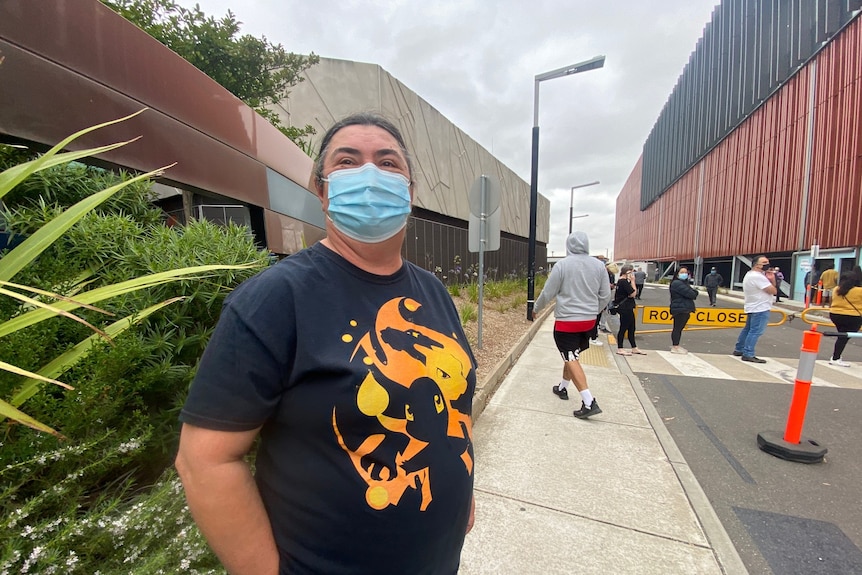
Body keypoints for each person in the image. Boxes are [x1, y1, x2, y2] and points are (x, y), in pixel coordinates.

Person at [175, 113, 477, 575]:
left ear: (411, 193)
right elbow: (205, 460)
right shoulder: (275, 299)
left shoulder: (432, 291)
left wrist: (464, 496)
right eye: (348, 161)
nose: (371, 175)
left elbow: (457, 402)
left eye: (389, 163)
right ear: (321, 190)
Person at [533, 231, 611, 419]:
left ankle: (588, 401)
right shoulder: (599, 266)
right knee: (572, 356)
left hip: (567, 321)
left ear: (569, 246)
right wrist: (594, 310)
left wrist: (536, 308)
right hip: (589, 321)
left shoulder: (562, 266)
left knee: (570, 357)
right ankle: (563, 387)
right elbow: (605, 295)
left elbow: (548, 292)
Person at [732, 255, 777, 363]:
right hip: (760, 307)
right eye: (764, 262)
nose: (767, 264)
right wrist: (772, 279)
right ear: (757, 265)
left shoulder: (750, 275)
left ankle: (739, 349)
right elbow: (773, 290)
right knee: (755, 331)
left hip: (753, 306)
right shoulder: (758, 277)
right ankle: (748, 353)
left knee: (748, 329)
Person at [827, 272, 862, 366]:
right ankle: (835, 358)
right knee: (844, 337)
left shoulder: (836, 289)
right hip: (852, 316)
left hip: (835, 315)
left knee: (842, 335)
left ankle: (836, 356)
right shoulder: (859, 290)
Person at [613, 265, 646, 356]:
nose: (632, 274)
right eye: (631, 272)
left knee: (631, 328)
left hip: (627, 307)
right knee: (624, 328)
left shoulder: (621, 281)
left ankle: (634, 347)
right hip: (625, 308)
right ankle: (620, 348)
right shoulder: (623, 282)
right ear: (627, 272)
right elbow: (633, 294)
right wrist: (633, 281)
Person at [669, 267, 699, 354]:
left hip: (683, 308)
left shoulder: (683, 283)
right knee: (677, 328)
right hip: (680, 308)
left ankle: (676, 345)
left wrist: (693, 292)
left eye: (686, 272)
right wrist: (693, 292)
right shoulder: (677, 283)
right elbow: (692, 294)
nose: (684, 274)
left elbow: (693, 293)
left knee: (679, 328)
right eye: (682, 272)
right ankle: (675, 346)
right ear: (677, 273)